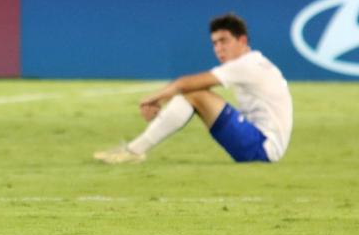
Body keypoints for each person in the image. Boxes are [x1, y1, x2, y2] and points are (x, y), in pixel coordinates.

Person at [94, 13, 293, 164]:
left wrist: (155, 98)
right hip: (261, 142)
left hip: (262, 147)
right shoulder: (255, 61)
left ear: (242, 40)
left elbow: (187, 83)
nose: (218, 48)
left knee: (195, 93)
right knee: (193, 94)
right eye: (214, 43)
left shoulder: (247, 65)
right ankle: (134, 150)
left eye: (224, 41)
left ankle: (134, 151)